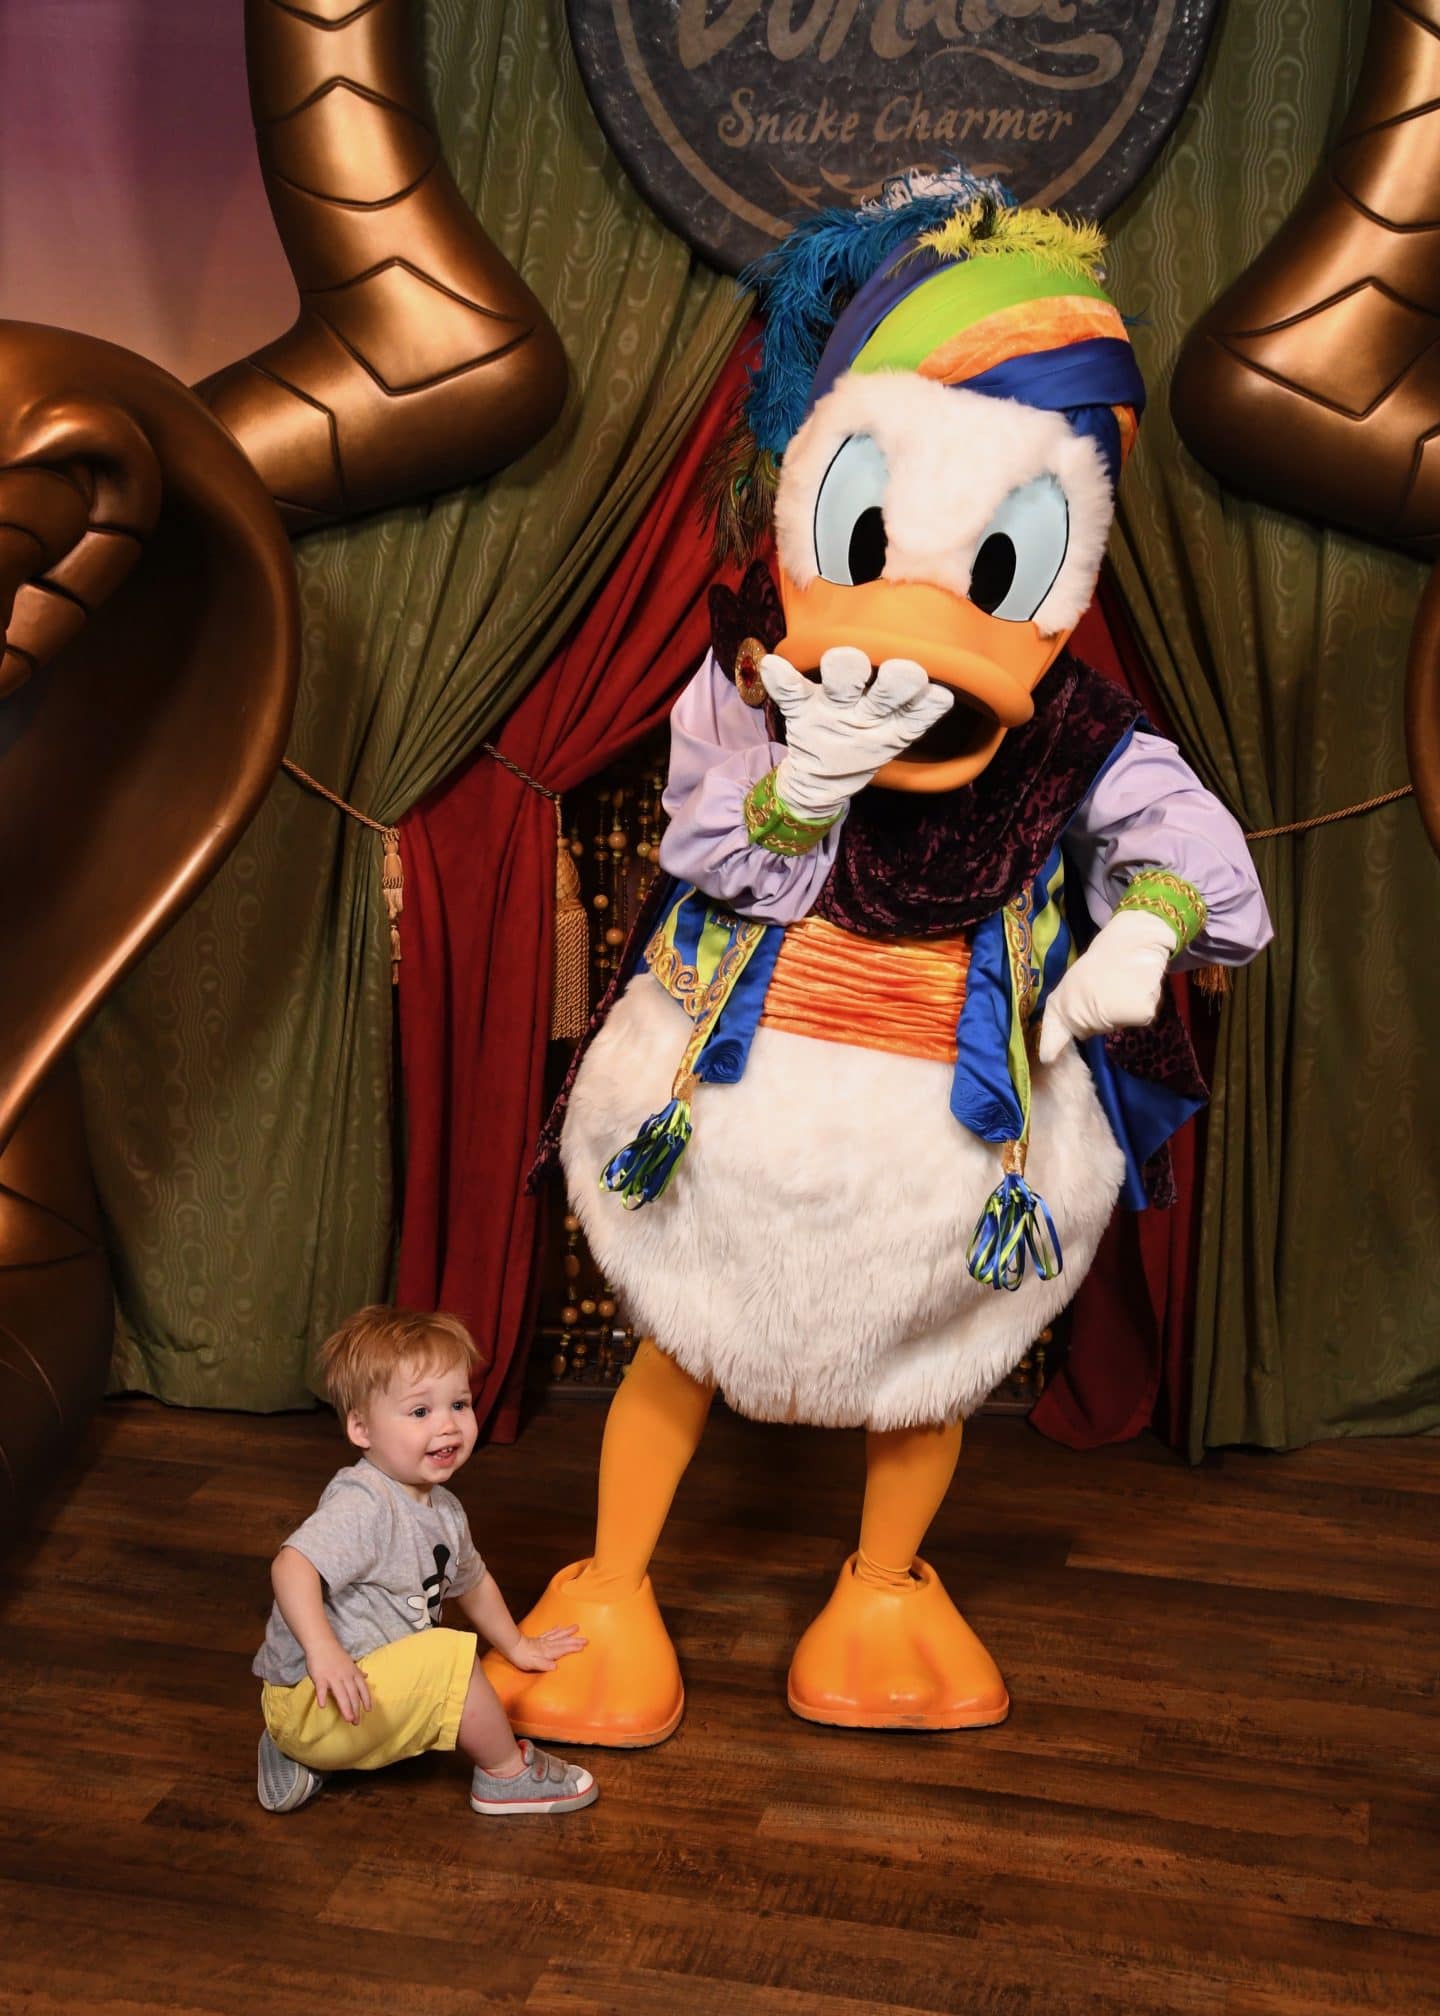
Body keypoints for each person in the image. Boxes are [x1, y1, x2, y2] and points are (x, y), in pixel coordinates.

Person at [252, 1305, 597, 1816]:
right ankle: (505, 1777)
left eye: (459, 1404)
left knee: (441, 1662)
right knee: (447, 1656)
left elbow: (473, 1582)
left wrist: (518, 1645)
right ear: (362, 1429)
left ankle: (300, 1752)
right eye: (420, 1412)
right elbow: (291, 1566)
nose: (449, 1426)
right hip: (317, 1698)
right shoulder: (365, 1502)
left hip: (358, 1694)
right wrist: (323, 1651)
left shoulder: (445, 1509)